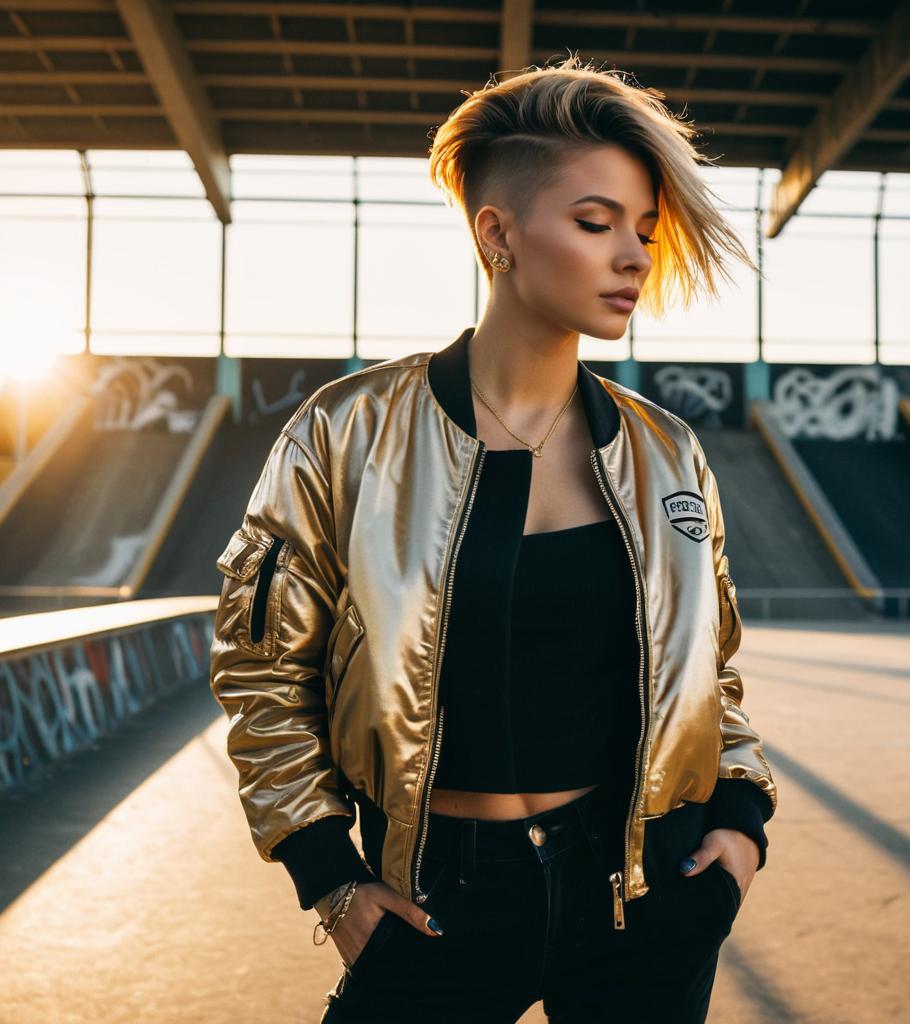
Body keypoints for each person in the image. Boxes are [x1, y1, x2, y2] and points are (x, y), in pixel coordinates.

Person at [209, 53, 777, 1024]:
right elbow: (263, 670)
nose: (633, 255)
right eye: (595, 223)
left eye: (642, 228)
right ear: (497, 232)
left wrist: (738, 830)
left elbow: (711, 670)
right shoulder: (346, 431)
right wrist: (329, 877)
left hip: (646, 894)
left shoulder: (667, 452)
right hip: (437, 903)